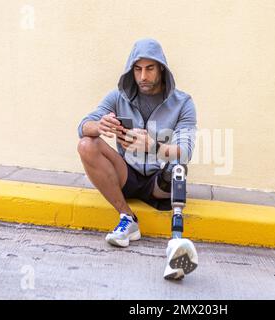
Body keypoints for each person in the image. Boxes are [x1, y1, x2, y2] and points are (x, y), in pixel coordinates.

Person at [77, 38, 197, 248]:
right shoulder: (117, 97)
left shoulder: (183, 103)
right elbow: (83, 126)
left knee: (178, 166)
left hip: (159, 181)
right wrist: (99, 126)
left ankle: (176, 242)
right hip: (126, 175)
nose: (143, 76)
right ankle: (127, 218)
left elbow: (185, 151)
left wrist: (154, 147)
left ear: (161, 68)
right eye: (138, 69)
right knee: (87, 144)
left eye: (150, 68)